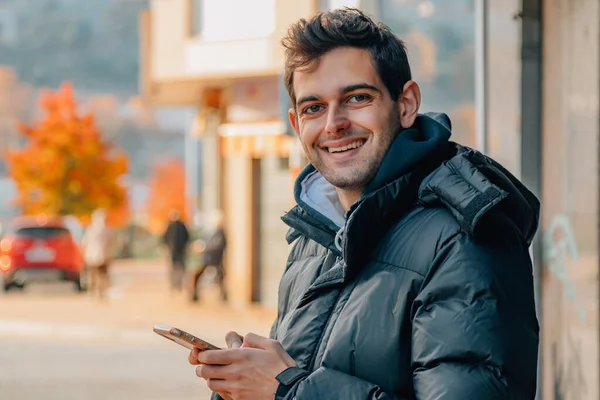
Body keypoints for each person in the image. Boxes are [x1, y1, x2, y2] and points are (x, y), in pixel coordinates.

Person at [189, 8, 540, 400]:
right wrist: (245, 383)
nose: (333, 123)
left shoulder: (465, 240)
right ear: (296, 124)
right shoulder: (315, 235)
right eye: (313, 108)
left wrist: (286, 389)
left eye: (356, 98)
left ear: (406, 104)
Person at [190, 210, 228, 302]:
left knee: (219, 276)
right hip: (209, 258)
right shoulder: (215, 233)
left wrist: (205, 249)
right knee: (199, 275)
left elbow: (217, 246)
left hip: (213, 259)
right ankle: (195, 294)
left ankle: (223, 294)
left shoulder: (220, 234)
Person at [81, 209, 113, 300]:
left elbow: (84, 242)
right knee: (102, 275)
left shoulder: (90, 229)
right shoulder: (107, 230)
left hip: (91, 256)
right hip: (103, 255)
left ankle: (93, 292)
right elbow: (112, 242)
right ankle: (101, 293)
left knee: (93, 275)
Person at [162, 209, 190, 292]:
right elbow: (165, 238)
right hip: (172, 250)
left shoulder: (181, 226)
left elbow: (186, 237)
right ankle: (174, 284)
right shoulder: (170, 226)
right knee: (173, 268)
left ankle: (178, 283)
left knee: (180, 267)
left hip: (180, 250)